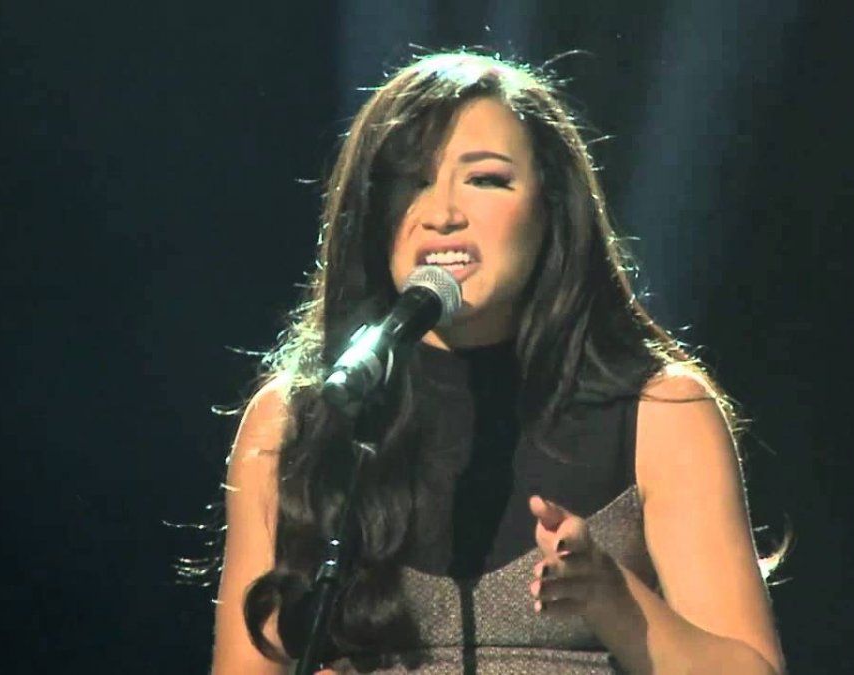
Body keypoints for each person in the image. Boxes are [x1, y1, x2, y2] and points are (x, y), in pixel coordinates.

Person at [211, 52, 786, 674]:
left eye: (485, 180)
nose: (442, 214)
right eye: (411, 181)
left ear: (551, 207)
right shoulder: (291, 424)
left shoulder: (661, 412)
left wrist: (614, 600)